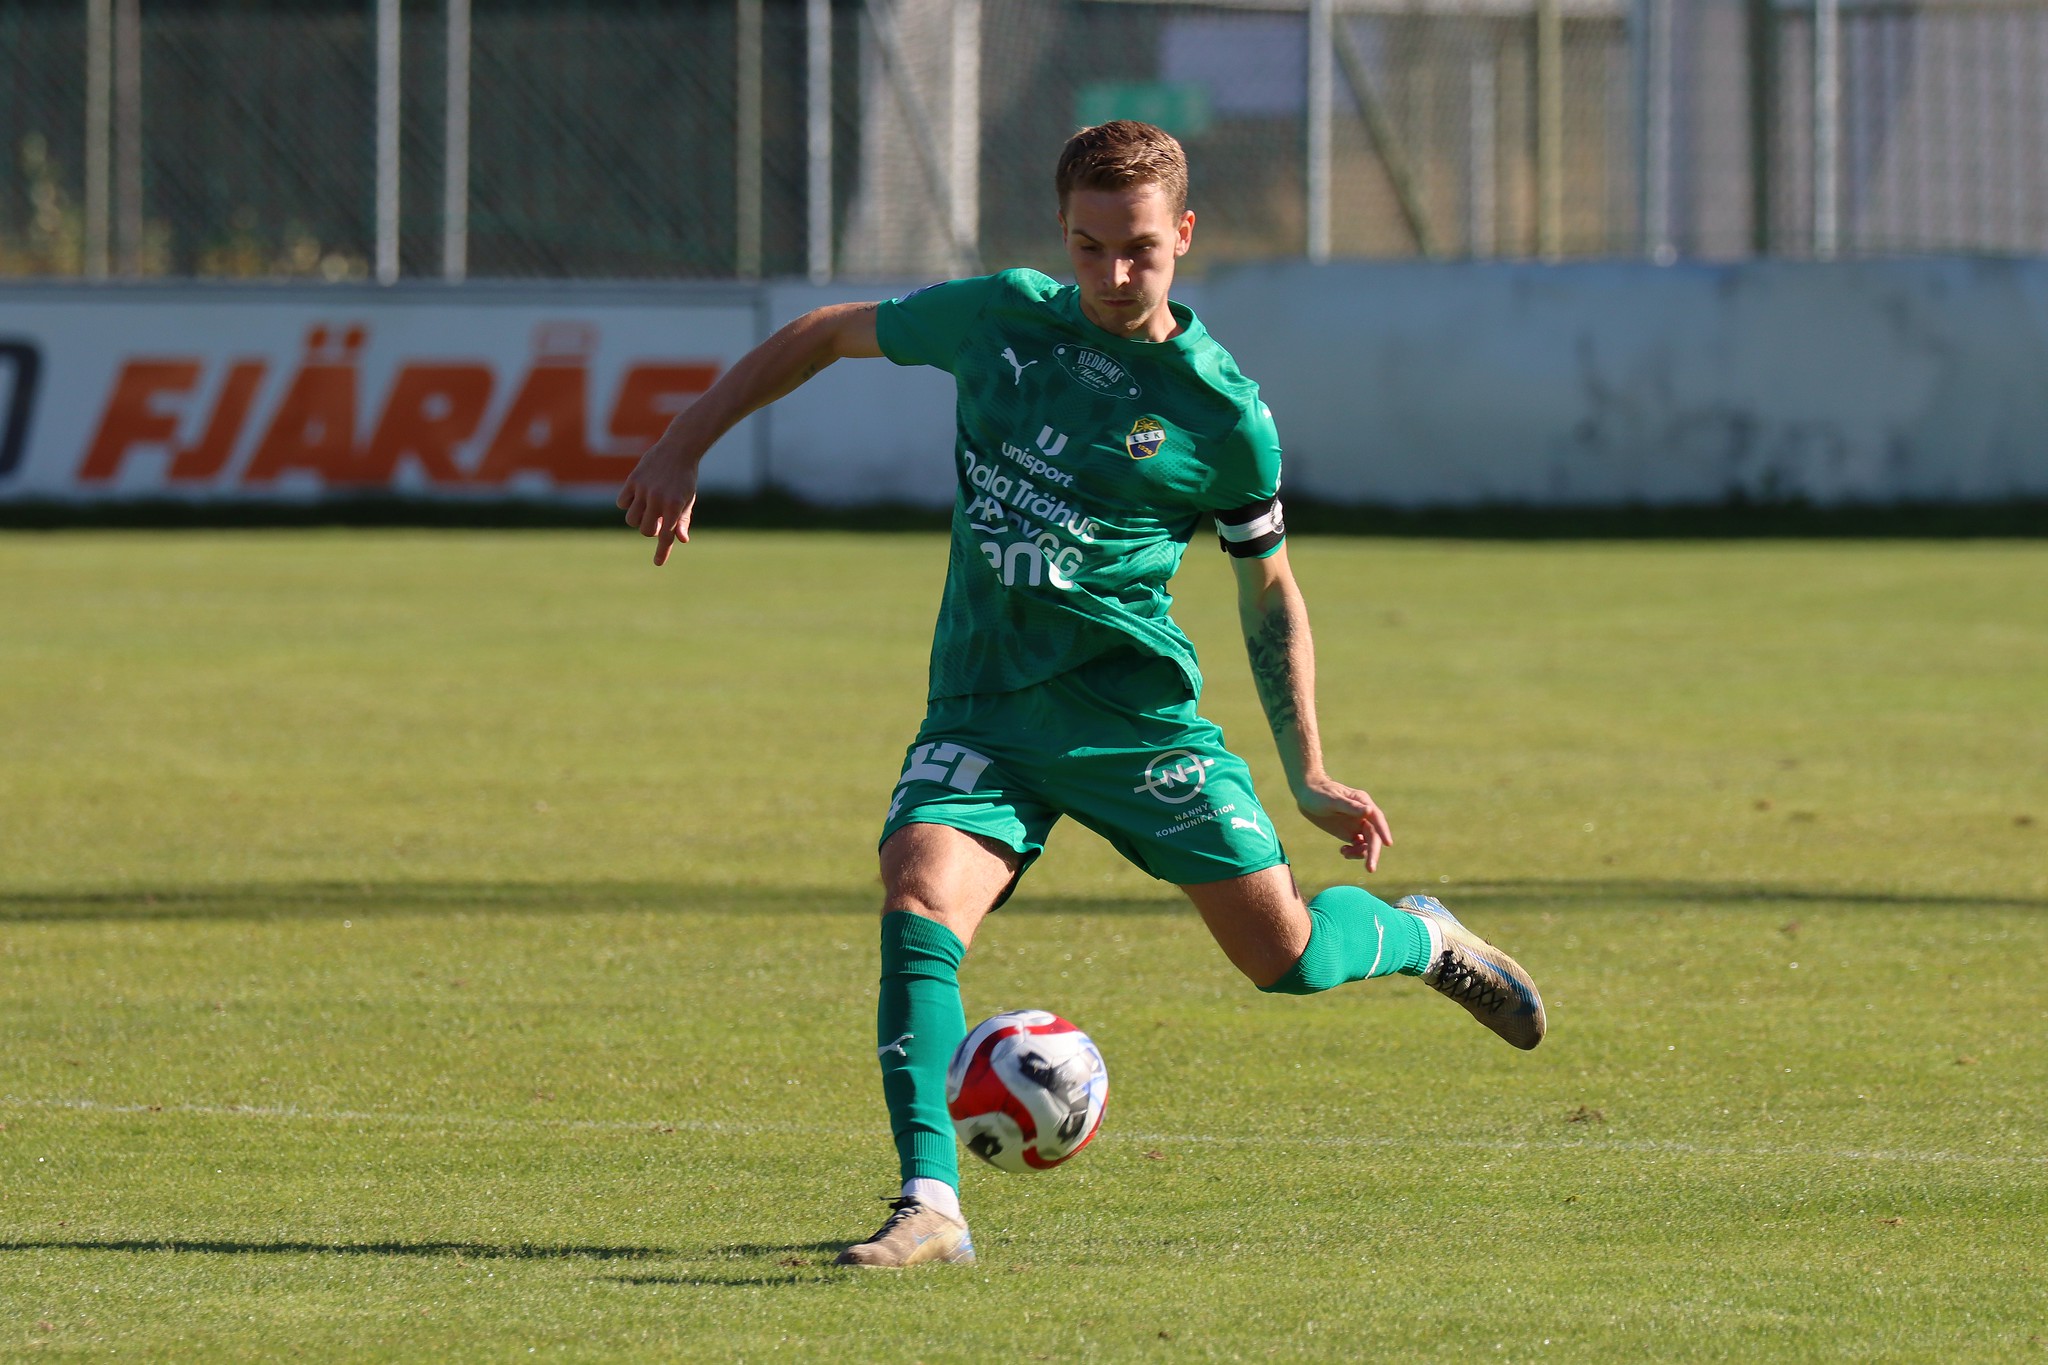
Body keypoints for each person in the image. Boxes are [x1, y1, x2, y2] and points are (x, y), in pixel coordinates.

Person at [617, 120, 1544, 1270]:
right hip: (984, 711)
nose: (1112, 274)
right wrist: (683, 441)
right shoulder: (1000, 319)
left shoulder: (1219, 415)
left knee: (1286, 958)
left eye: (1139, 250)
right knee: (916, 904)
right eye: (1089, 246)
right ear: (1061, 233)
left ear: (1183, 236)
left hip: (1131, 723)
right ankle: (930, 1207)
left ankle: (1419, 938)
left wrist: (1306, 766)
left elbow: (1268, 594)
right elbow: (822, 334)